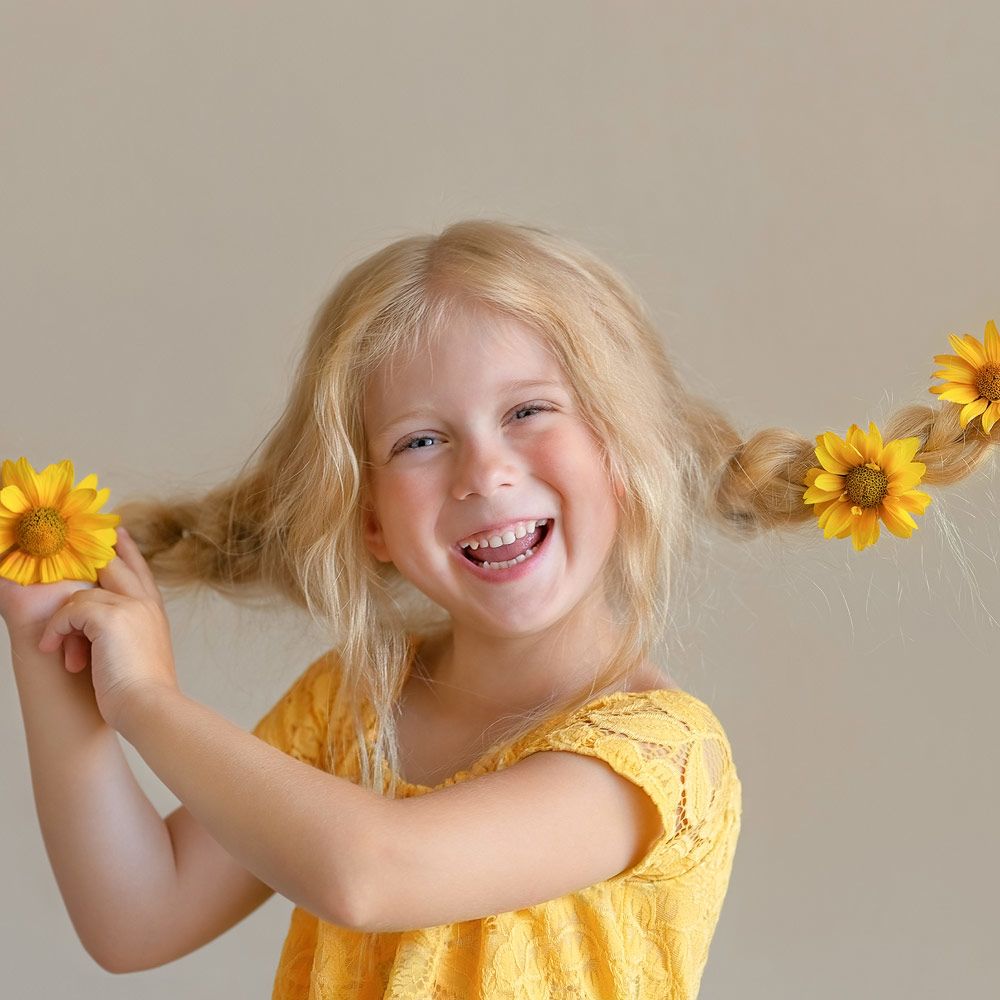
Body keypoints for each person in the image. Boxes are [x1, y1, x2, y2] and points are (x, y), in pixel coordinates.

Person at [2, 219, 752, 998]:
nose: (484, 473)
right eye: (421, 442)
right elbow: (138, 919)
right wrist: (44, 647)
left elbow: (369, 874)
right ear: (371, 521)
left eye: (528, 411)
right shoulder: (352, 705)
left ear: (622, 454)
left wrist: (149, 703)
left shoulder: (658, 755)